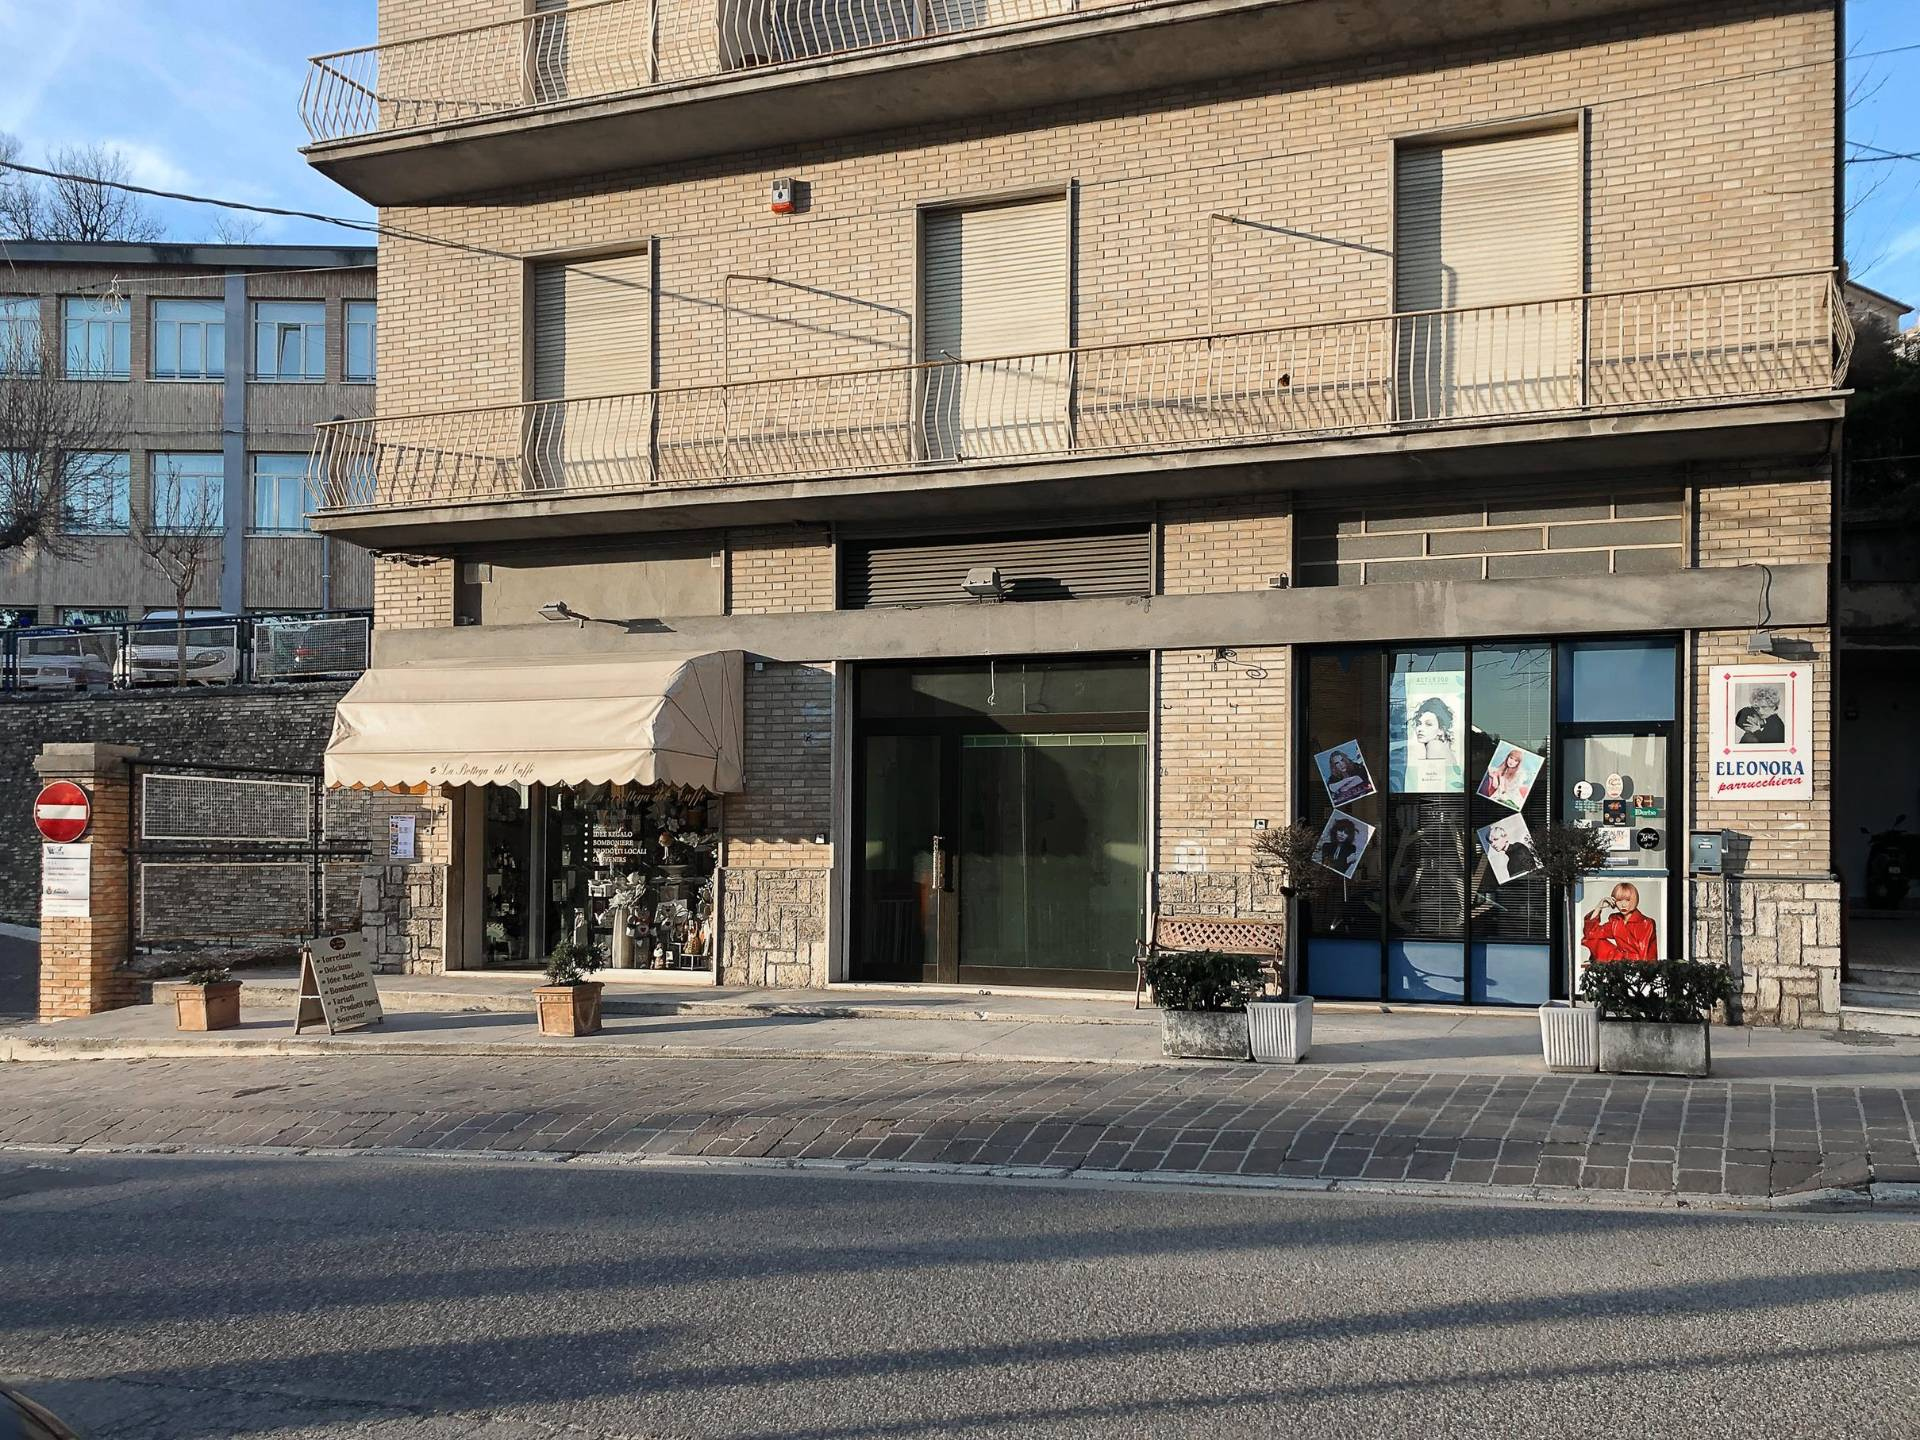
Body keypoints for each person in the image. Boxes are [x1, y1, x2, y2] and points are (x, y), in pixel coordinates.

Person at [1581, 881, 1659, 962]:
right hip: (1619, 961)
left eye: (1628, 900)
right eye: (1619, 900)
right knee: (1592, 939)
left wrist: (1640, 969)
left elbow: (1645, 954)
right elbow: (1590, 933)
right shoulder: (1616, 921)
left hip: (1638, 964)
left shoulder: (1646, 923)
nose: (1623, 905)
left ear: (1634, 900)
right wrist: (1599, 907)